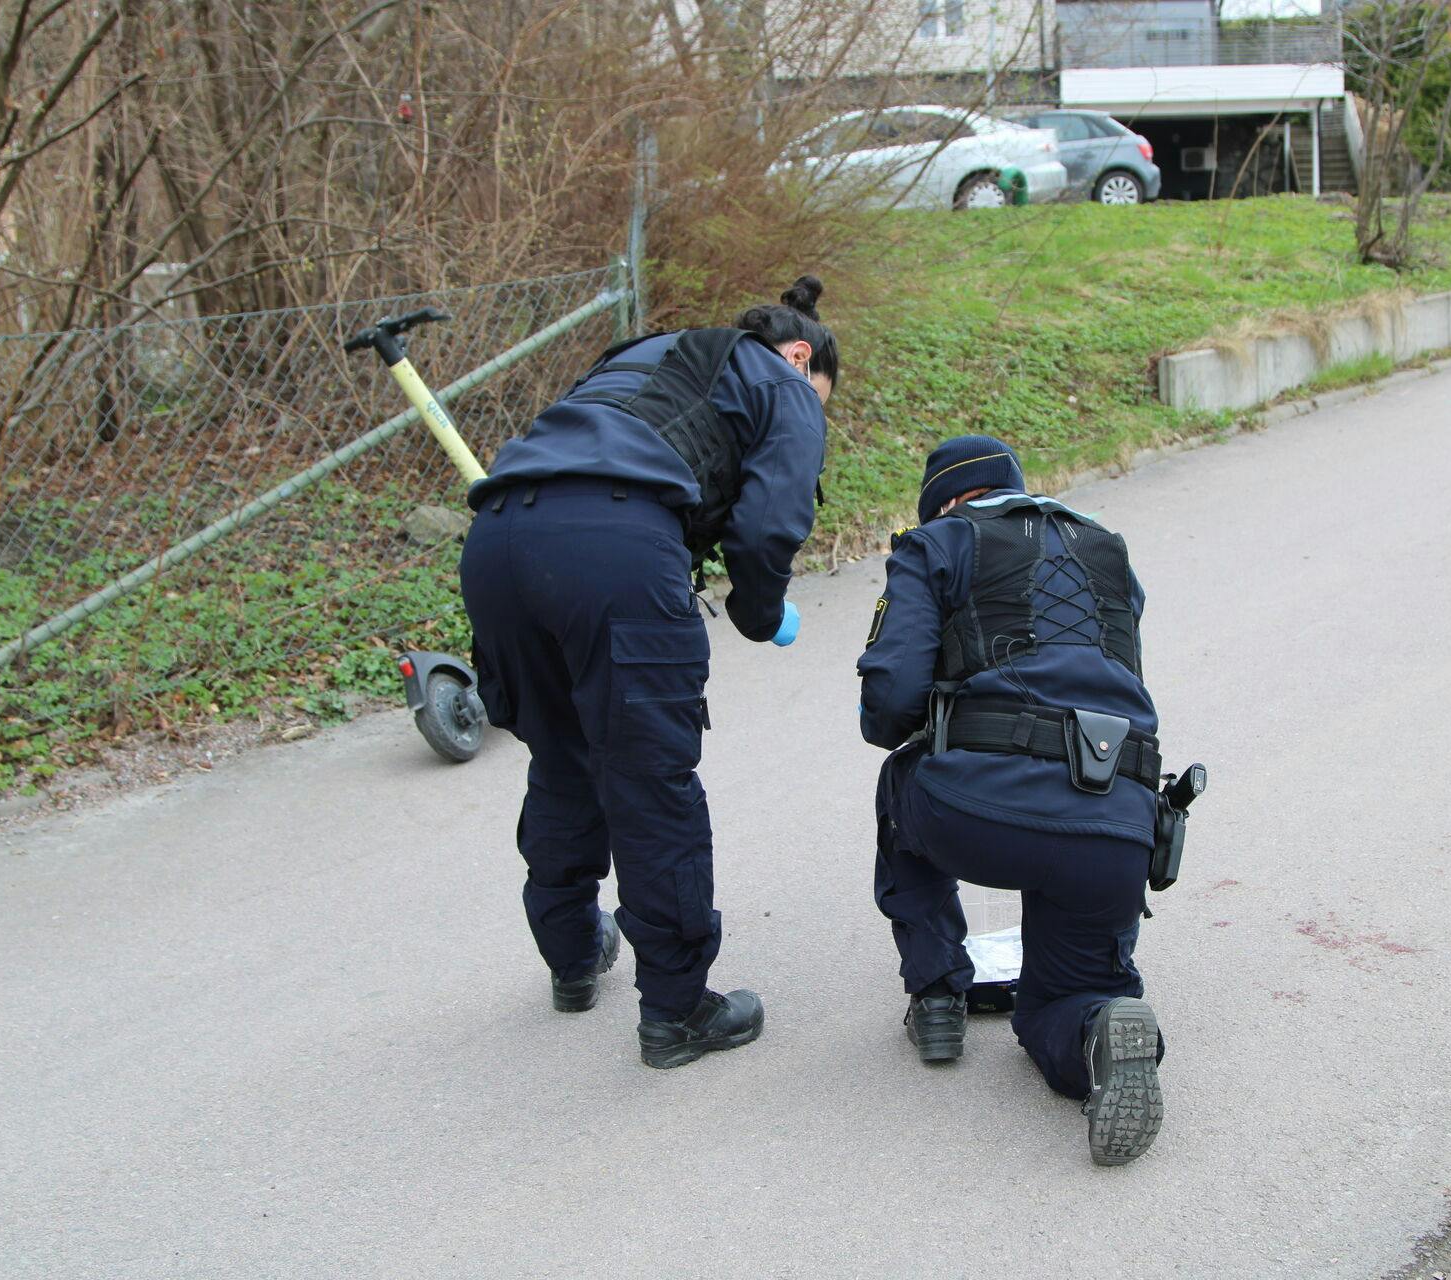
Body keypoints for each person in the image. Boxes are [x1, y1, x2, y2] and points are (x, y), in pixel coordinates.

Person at [459, 277, 837, 1069]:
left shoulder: (639, 354)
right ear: (802, 355)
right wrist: (762, 616)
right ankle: (676, 1012)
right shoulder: (784, 381)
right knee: (648, 778)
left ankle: (571, 957)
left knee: (562, 752)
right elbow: (770, 524)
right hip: (617, 547)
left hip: (496, 539)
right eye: (824, 395)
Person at [856, 434, 1168, 1164]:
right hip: (1120, 822)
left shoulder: (935, 544)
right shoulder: (1109, 550)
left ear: (944, 503)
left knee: (902, 779)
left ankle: (937, 993)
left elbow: (888, 708)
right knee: (1064, 997)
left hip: (979, 815)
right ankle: (1100, 1029)